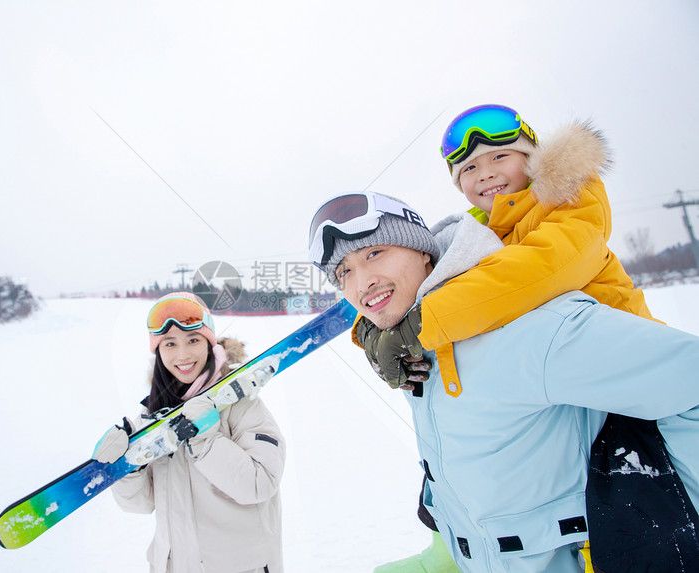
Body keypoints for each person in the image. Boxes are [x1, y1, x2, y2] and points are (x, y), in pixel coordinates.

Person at [307, 191, 699, 572]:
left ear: (422, 250)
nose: (362, 283)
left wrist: (662, 528)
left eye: (374, 253)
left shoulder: (531, 329)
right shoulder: (413, 348)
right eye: (344, 272)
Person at [354, 104, 661, 572]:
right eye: (469, 168)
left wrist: (417, 325)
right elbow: (420, 281)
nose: (486, 174)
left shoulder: (573, 204)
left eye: (500, 157)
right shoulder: (484, 230)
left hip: (623, 396)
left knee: (616, 518)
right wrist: (374, 328)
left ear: (533, 157)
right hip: (550, 398)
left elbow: (530, 274)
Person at [92, 292, 286, 573]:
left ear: (209, 344)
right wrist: (126, 469)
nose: (183, 355)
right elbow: (142, 504)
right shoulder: (155, 415)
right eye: (170, 343)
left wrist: (205, 439)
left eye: (193, 340)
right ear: (158, 352)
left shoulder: (241, 405)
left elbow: (260, 483)